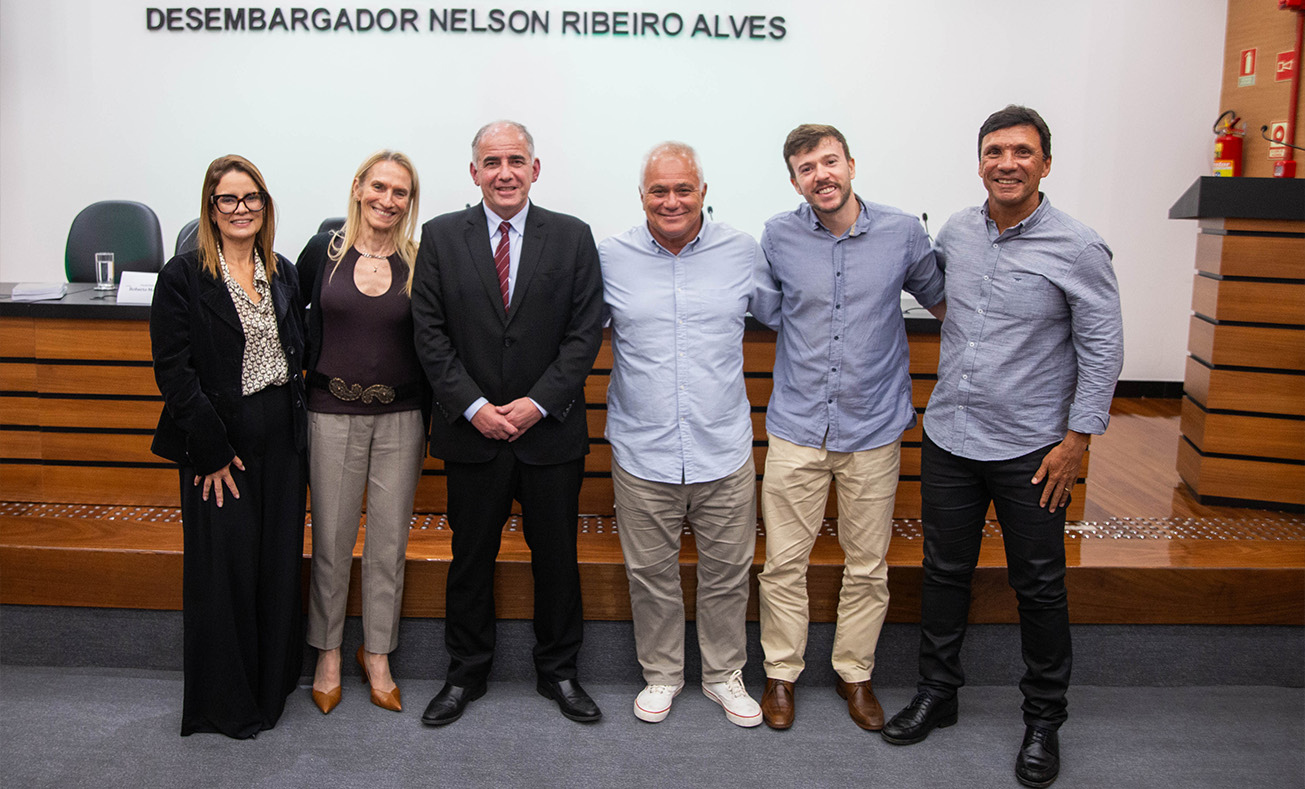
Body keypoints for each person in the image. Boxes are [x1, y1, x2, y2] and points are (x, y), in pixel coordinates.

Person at [880, 106, 1123, 789]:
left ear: (1045, 163)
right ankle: (938, 691)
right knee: (943, 570)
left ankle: (1043, 717)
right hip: (952, 436)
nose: (1006, 162)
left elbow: (1102, 348)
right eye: (994, 151)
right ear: (979, 161)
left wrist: (1077, 438)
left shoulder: (1078, 247)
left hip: (1033, 449)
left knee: (1038, 586)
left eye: (1021, 151)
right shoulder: (957, 230)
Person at [751, 124, 946, 732]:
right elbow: (767, 308)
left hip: (873, 428)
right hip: (797, 428)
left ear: (851, 164)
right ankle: (781, 675)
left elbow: (943, 303)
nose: (821, 175)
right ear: (794, 181)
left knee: (868, 565)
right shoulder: (778, 236)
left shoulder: (902, 232)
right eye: (807, 168)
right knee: (783, 563)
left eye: (829, 162)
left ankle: (854, 673)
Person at [412, 120, 604, 726]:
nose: (504, 172)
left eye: (515, 160)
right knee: (470, 560)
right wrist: (474, 408)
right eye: (491, 162)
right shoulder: (441, 237)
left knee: (557, 562)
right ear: (474, 172)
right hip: (472, 434)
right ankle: (465, 674)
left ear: (535, 168)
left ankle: (560, 673)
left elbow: (583, 332)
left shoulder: (572, 237)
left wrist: (535, 403)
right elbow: (430, 334)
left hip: (549, 431)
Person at [598, 142, 763, 727]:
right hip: (643, 450)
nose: (671, 201)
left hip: (723, 448)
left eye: (683, 188)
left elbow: (790, 314)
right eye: (658, 190)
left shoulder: (743, 252)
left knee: (727, 574)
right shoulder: (609, 256)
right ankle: (663, 674)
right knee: (651, 576)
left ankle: (723, 676)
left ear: (703, 191)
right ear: (641, 195)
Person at [149, 155, 307, 738]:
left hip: (285, 444)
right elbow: (174, 371)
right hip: (219, 445)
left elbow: (297, 354)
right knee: (226, 576)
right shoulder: (183, 276)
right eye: (228, 200)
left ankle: (270, 692)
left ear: (265, 206)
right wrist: (210, 449)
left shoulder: (283, 270)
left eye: (251, 199)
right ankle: (226, 705)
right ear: (210, 209)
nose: (241, 210)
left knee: (274, 566)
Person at [297, 151, 427, 715]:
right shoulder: (320, 254)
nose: (387, 200)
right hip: (330, 412)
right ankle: (326, 652)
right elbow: (286, 321)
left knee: (388, 544)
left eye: (400, 192)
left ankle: (377, 653)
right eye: (379, 187)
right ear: (357, 188)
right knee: (330, 539)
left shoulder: (421, 260)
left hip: (402, 418)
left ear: (410, 202)